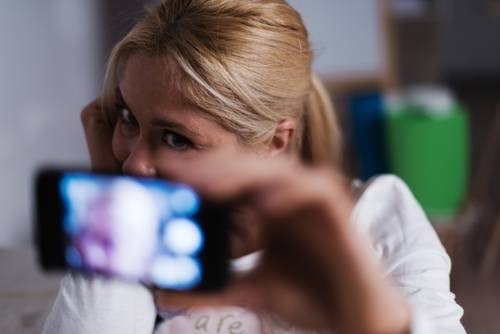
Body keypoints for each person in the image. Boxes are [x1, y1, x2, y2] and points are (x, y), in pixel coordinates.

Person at [42, 1, 466, 333]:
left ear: (275, 141)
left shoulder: (375, 215)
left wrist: (377, 320)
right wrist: (106, 199)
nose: (134, 164)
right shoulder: (147, 227)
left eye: (177, 139)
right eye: (129, 118)